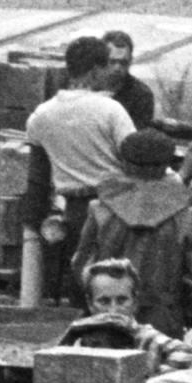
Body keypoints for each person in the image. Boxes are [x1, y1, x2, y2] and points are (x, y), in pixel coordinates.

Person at [22, 36, 134, 304]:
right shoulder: (111, 111)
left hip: (74, 213)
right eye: (106, 67)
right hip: (115, 208)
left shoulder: (40, 116)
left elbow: (37, 179)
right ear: (95, 70)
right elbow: (134, 158)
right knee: (117, 284)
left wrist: (32, 223)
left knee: (81, 280)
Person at [72, 129, 192, 338]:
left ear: (124, 163)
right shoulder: (186, 215)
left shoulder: (100, 209)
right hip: (164, 317)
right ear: (167, 165)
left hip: (107, 312)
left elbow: (81, 264)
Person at [61, 258, 192, 374]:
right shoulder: (77, 339)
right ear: (90, 304)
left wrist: (145, 377)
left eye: (121, 300)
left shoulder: (147, 338)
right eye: (104, 301)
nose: (113, 310)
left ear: (135, 302)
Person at [103, 31, 157, 129]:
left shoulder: (141, 95)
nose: (117, 68)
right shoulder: (88, 87)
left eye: (123, 62)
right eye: (112, 61)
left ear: (130, 60)